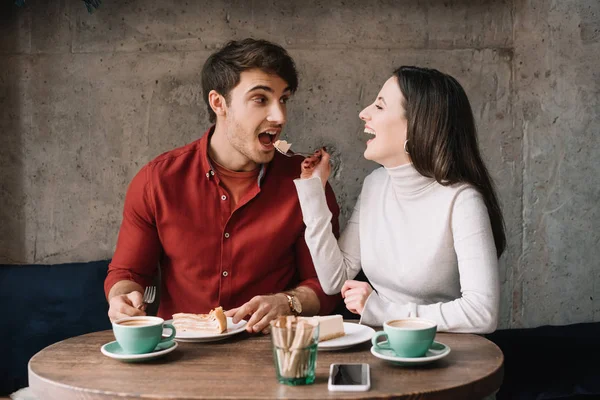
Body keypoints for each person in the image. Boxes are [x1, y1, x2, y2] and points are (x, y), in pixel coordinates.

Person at [104, 38, 341, 334]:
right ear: (219, 103)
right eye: (260, 99)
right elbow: (128, 272)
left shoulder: (307, 182)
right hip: (181, 354)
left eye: (284, 99)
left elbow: (326, 286)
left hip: (270, 351)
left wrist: (287, 301)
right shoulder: (157, 181)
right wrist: (122, 297)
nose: (280, 117)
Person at [295, 66, 506, 333]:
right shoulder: (376, 184)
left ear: (417, 125)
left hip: (444, 352)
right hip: (385, 346)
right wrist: (313, 191)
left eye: (380, 107)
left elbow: (482, 314)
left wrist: (383, 311)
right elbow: (334, 280)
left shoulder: (462, 201)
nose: (364, 113)